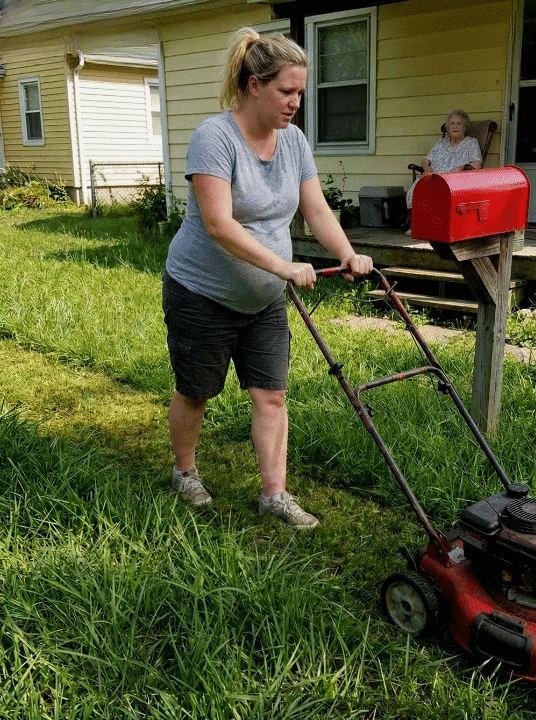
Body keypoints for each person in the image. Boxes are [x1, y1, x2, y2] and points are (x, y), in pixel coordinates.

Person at [162, 27, 373, 530]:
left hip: (263, 300)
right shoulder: (214, 137)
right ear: (254, 85)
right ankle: (184, 471)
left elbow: (315, 209)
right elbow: (219, 224)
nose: (296, 102)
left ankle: (274, 494)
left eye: (301, 92)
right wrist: (282, 266)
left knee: (271, 395)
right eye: (286, 91)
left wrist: (347, 253)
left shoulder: (294, 141)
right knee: (196, 390)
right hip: (201, 292)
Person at [405, 110, 483, 232]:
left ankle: (438, 227)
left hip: (453, 179)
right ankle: (418, 226)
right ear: (448, 128)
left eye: (459, 124)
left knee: (440, 191)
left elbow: (477, 164)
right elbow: (426, 159)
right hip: (432, 176)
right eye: (452, 124)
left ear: (465, 127)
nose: (455, 126)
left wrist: (460, 168)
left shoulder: (471, 143)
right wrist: (427, 168)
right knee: (417, 187)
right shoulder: (440, 143)